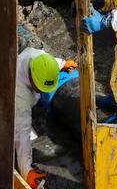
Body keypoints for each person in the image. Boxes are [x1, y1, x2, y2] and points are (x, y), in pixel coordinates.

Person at [15, 47, 77, 189]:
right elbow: (21, 135)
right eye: (40, 87)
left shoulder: (37, 57)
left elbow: (50, 63)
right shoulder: (19, 98)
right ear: (31, 77)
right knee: (24, 134)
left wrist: (63, 64)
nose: (42, 91)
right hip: (12, 107)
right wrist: (26, 171)